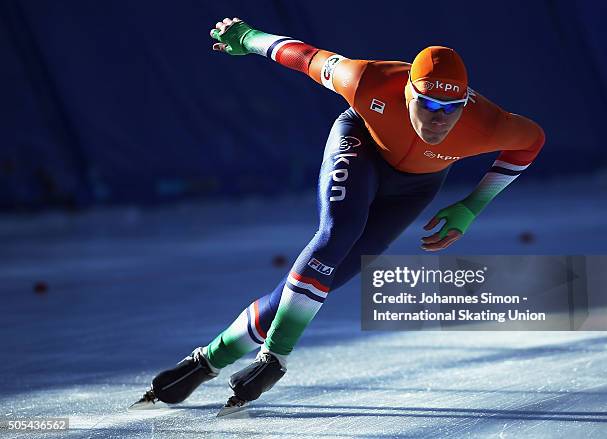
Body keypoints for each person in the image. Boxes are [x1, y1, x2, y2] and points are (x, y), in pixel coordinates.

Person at [132, 17, 545, 411]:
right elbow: (303, 55)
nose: (439, 119)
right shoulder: (368, 80)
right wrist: (247, 37)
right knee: (338, 233)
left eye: (451, 107)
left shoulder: (487, 123)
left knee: (321, 281)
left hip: (416, 187)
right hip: (361, 144)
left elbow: (531, 142)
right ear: (406, 93)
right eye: (428, 103)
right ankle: (275, 355)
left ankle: (207, 360)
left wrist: (472, 205)